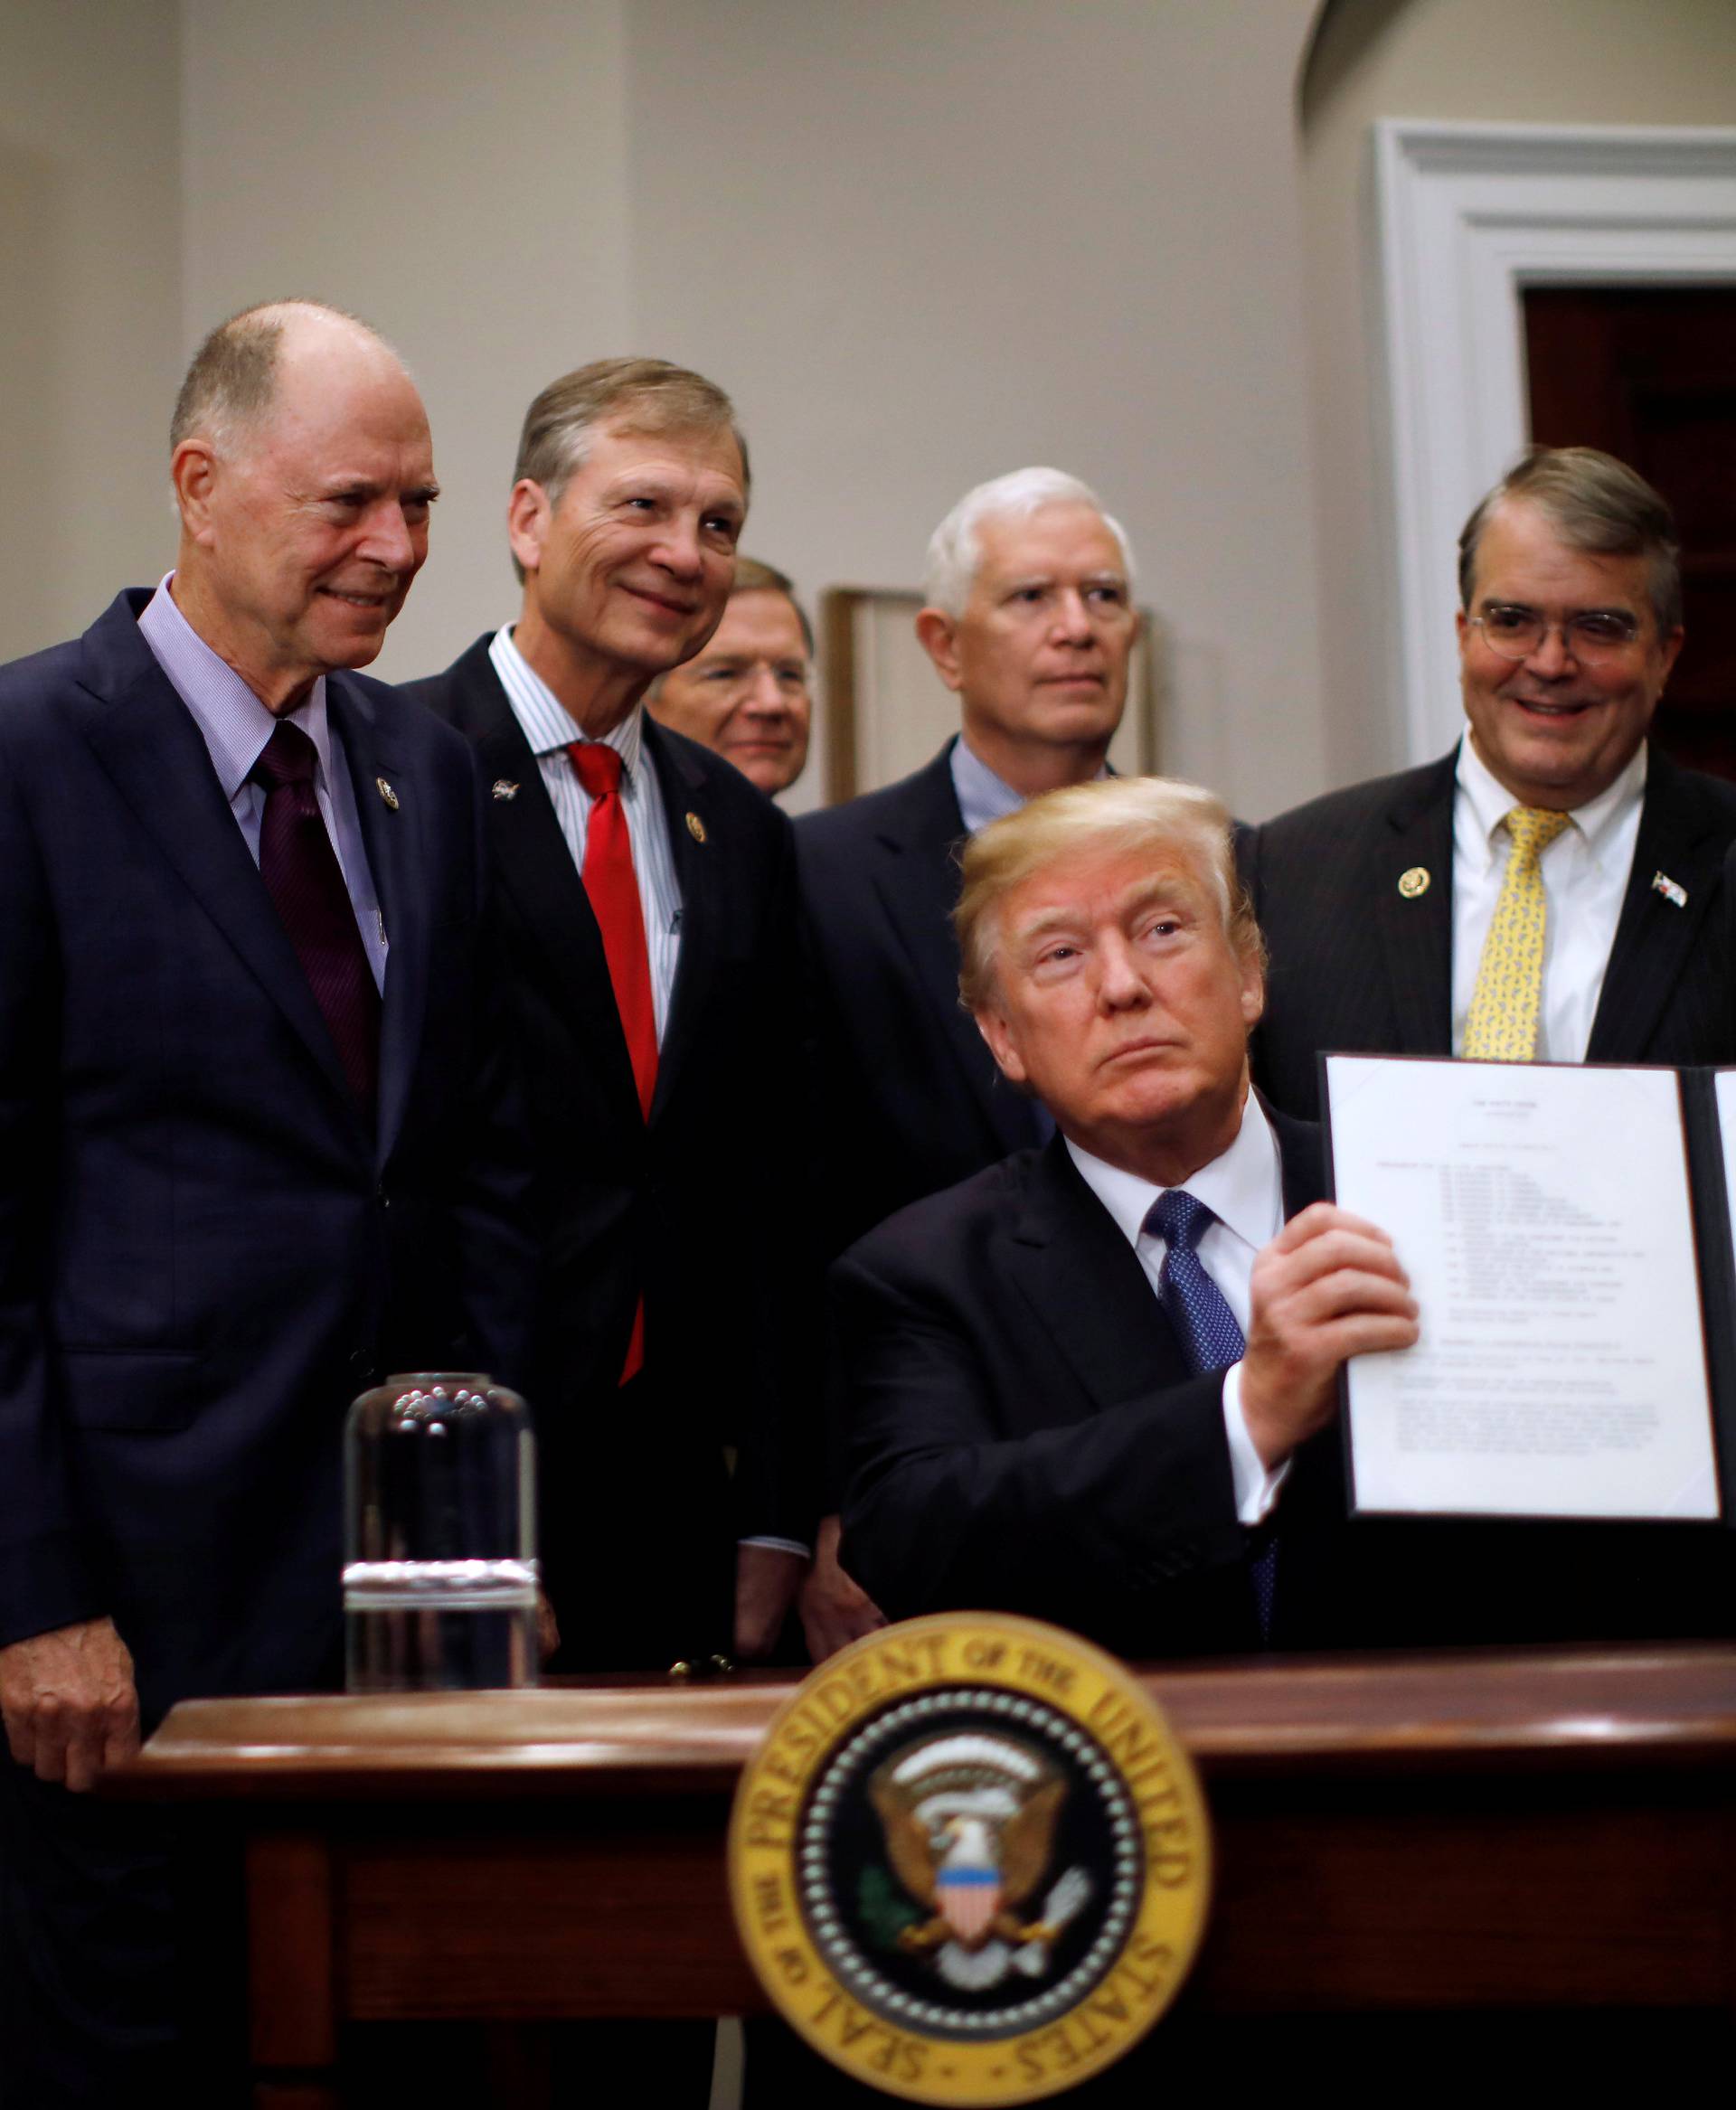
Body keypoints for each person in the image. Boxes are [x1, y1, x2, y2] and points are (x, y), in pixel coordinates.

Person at [0, 299, 535, 2099]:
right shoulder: (26, 758)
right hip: (126, 1618)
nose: (396, 549)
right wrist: (31, 1594)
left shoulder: (426, 773)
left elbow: (450, 1183)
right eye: (349, 503)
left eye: (422, 504)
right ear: (199, 485)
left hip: (386, 1619)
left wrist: (488, 1542)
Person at [404, 360, 872, 1672]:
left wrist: (778, 1510)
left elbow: (782, 1188)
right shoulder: (396, 775)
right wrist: (458, 1525)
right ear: (527, 521)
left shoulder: (738, 828)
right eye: (646, 507)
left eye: (717, 523)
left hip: (688, 1495)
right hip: (463, 1479)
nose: (686, 552)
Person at [834, 777, 1418, 1659]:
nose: (1122, 985)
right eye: (1061, 955)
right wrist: (1246, 1416)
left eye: (1163, 930)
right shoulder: (924, 1272)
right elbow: (916, 1543)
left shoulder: (1402, 1192)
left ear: (1250, 975)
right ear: (1002, 1036)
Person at [1246, 446, 1736, 1121]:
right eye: (1512, 621)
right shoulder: (1293, 872)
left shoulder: (1724, 856)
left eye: (1599, 627)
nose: (1551, 662)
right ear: (1462, 635)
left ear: (1663, 656)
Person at [797, 466, 1139, 1257]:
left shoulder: (1224, 863)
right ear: (944, 646)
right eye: (1031, 598)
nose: (1077, 628)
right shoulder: (823, 875)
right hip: (924, 1340)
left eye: (1103, 596)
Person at [646, 555, 813, 797]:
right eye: (725, 674)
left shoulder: (825, 835)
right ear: (640, 696)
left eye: (790, 675)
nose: (772, 703)